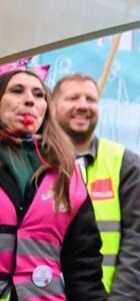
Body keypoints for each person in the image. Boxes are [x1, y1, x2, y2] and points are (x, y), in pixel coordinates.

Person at [0, 69, 106, 300]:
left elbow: (84, 266)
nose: (30, 100)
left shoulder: (67, 174)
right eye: (16, 91)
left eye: (39, 95)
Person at [52, 73, 140, 301]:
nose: (83, 105)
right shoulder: (34, 163)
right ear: (52, 105)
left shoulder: (125, 162)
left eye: (91, 99)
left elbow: (137, 241)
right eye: (73, 98)